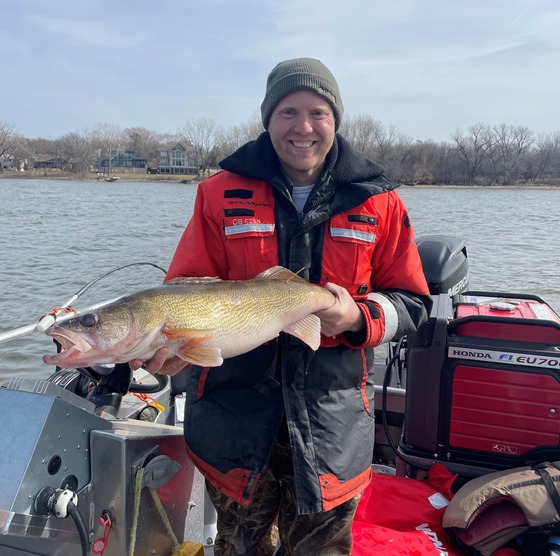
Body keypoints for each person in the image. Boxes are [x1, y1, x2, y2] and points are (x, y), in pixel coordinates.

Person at [131, 57, 432, 555]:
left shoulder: (380, 200)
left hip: (330, 427)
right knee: (237, 548)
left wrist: (357, 316)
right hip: (234, 423)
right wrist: (176, 346)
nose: (303, 127)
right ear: (268, 119)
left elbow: (414, 303)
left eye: (318, 112)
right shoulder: (217, 193)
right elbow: (183, 291)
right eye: (288, 112)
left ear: (335, 120)